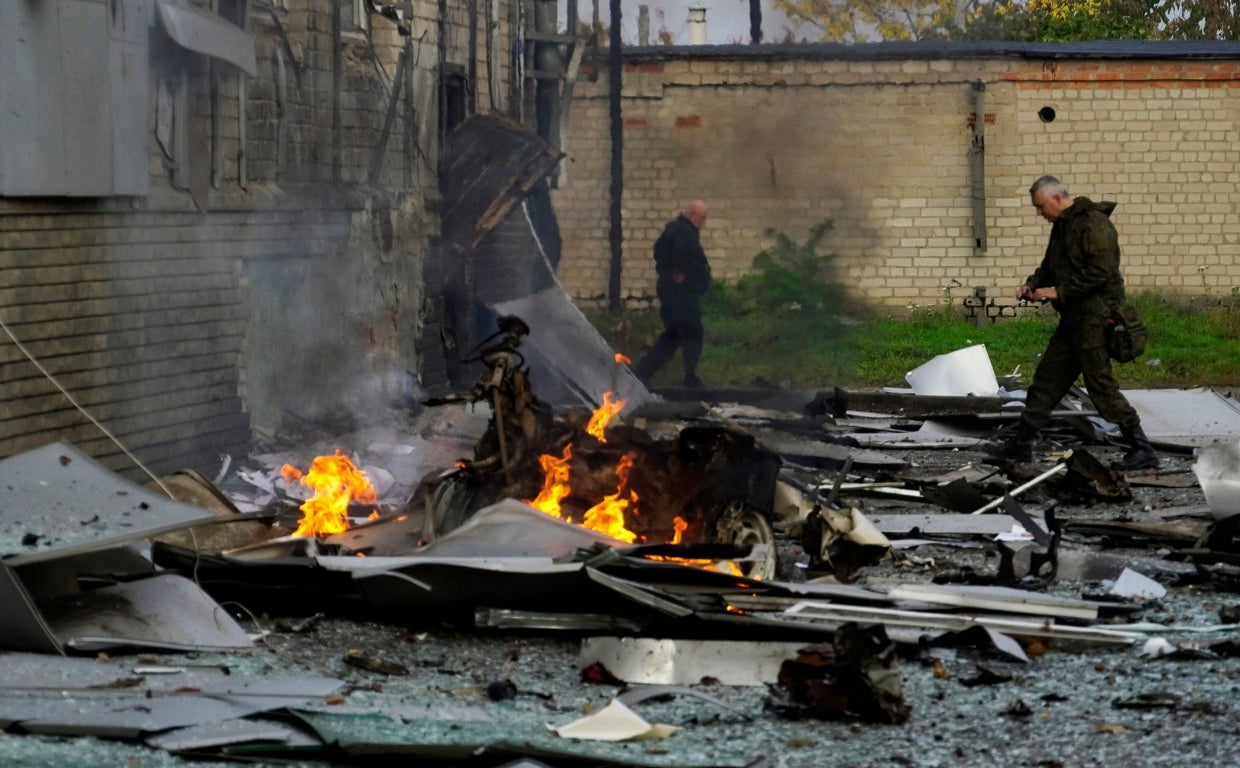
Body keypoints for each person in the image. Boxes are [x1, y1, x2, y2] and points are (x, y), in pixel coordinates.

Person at [984, 176, 1159, 471]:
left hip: (1096, 320)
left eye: (1040, 207)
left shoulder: (1093, 223)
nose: (1039, 213)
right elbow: (1050, 267)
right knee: (1045, 383)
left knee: (1102, 388)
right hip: (1073, 323)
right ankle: (1020, 447)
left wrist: (1059, 292)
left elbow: (1102, 271)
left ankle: (1143, 449)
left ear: (1055, 199)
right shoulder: (1062, 228)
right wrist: (1033, 285)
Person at [633, 200, 712, 388]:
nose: (703, 222)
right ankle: (689, 377)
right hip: (681, 295)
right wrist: (679, 272)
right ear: (693, 215)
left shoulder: (675, 230)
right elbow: (681, 255)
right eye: (701, 218)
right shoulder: (683, 233)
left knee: (675, 335)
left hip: (675, 293)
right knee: (692, 333)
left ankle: (643, 372)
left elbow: (660, 253)